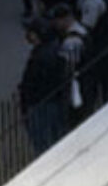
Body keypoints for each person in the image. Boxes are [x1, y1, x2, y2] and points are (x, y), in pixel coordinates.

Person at [19, 19, 70, 154]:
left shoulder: (40, 56)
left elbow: (32, 81)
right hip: (53, 99)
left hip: (40, 102)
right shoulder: (56, 49)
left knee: (42, 140)